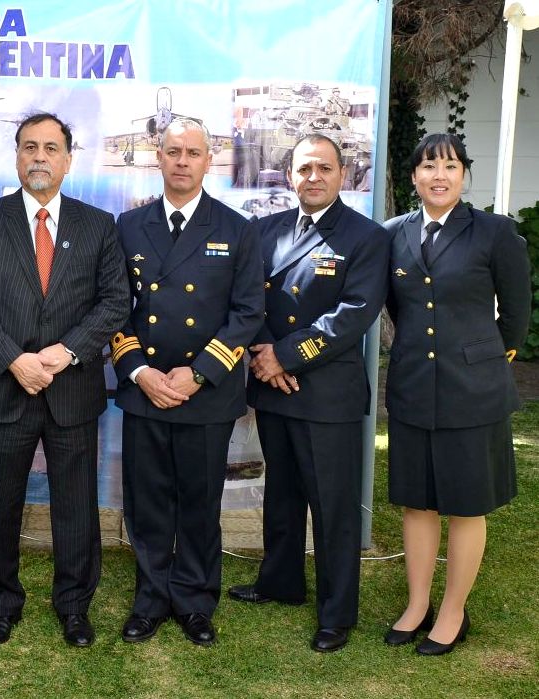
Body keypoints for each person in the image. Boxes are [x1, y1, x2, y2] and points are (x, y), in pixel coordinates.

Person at [0, 113, 129, 648]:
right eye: (30, 146)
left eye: (51, 148)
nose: (39, 157)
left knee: (75, 506)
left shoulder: (98, 225)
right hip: (4, 387)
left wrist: (66, 351)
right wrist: (15, 360)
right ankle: (2, 604)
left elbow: (115, 301)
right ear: (15, 156)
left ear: (68, 160)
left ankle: (75, 606)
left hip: (71, 389)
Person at [229, 134, 389, 652]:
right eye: (303, 168)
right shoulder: (265, 230)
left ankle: (337, 612)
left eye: (324, 168)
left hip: (327, 394)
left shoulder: (365, 238)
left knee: (333, 505)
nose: (313, 177)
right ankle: (280, 582)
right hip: (274, 385)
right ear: (289, 176)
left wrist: (286, 356)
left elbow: (354, 315)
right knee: (282, 493)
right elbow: (246, 297)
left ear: (343, 175)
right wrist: (261, 352)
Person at [111, 119, 263, 646]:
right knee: (148, 502)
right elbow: (114, 308)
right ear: (158, 156)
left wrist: (198, 374)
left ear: (208, 160)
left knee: (200, 504)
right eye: (173, 151)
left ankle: (196, 602)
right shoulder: (128, 226)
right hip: (146, 388)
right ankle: (150, 599)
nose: (181, 161)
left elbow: (247, 313)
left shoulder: (237, 229)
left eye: (192, 153)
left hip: (207, 392)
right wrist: (140, 371)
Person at [382, 133, 530, 655]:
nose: (438, 176)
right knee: (417, 502)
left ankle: (452, 611)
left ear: (464, 173)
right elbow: (400, 311)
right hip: (413, 388)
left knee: (467, 505)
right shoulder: (393, 234)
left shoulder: (495, 232)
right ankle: (418, 603)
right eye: (427, 167)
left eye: (449, 166)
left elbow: (515, 317)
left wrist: (485, 358)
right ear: (414, 177)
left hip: (474, 391)